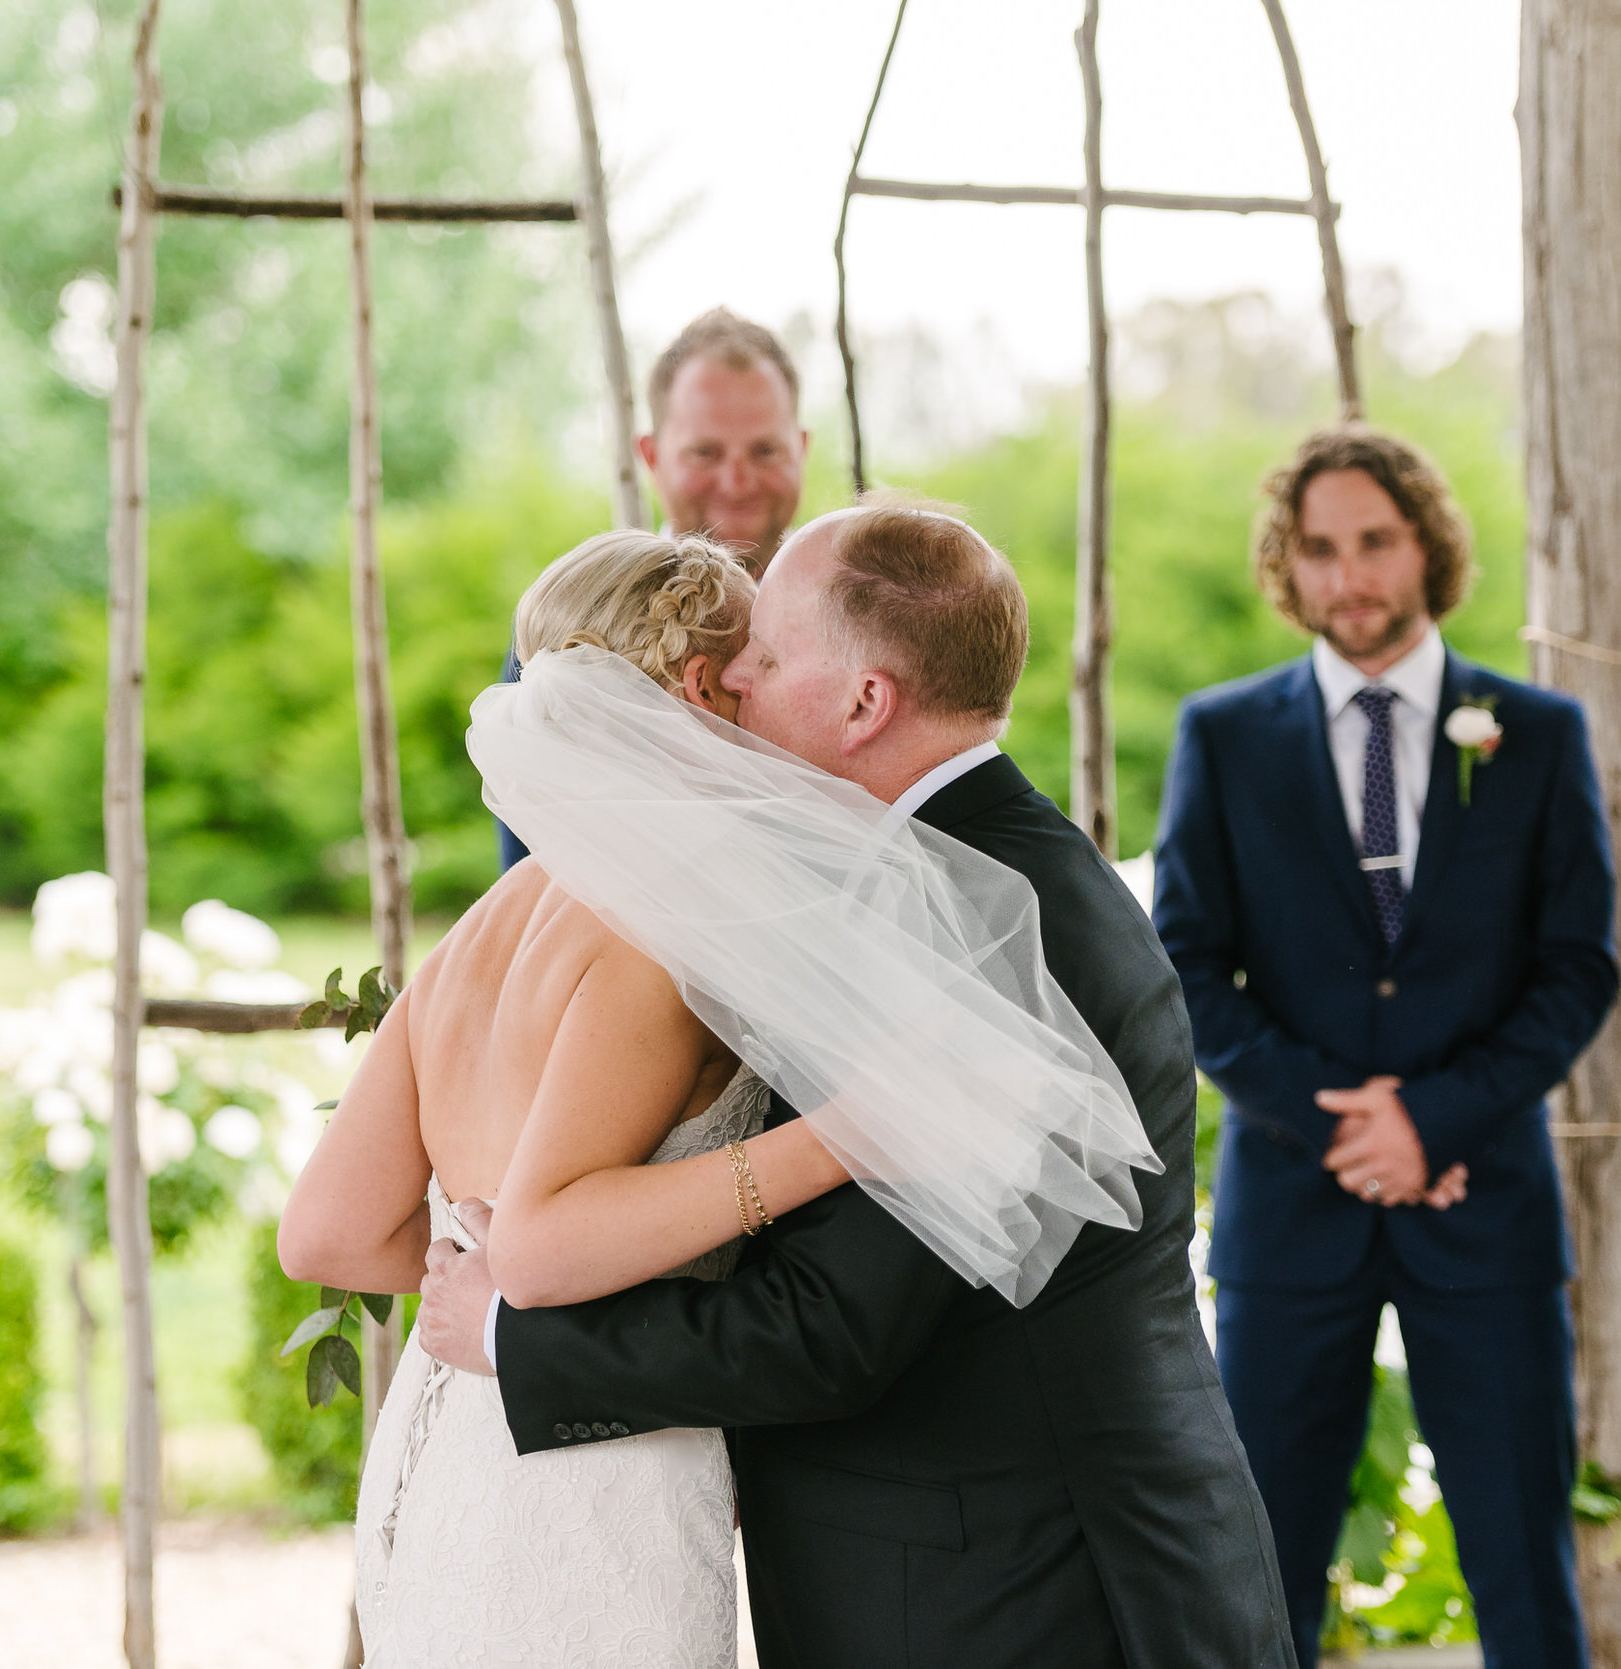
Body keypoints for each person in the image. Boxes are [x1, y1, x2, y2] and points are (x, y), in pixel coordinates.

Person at [415, 501, 1295, 1669]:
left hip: (1022, 1584)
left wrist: (518, 1338)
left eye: (768, 654)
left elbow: (833, 1328)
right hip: (976, 1560)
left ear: (864, 702)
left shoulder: (959, 927)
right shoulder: (946, 874)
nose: (729, 672)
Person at [1153, 427, 1616, 1669]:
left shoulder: (1536, 733)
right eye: (1319, 550)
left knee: (1524, 1568)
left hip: (1487, 1212)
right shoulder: (1225, 736)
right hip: (1292, 1212)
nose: (1348, 575)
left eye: (1373, 541)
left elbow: (1580, 968)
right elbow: (1186, 970)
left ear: (1425, 545)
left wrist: (1440, 1119)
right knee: (1262, 1575)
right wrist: (1340, 1117)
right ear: (1287, 567)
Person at [497, 308, 808, 871]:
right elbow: (534, 863)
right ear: (652, 456)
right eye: (706, 452)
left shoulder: (857, 617)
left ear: (802, 448)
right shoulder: (574, 625)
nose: (737, 481)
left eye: (765, 450)